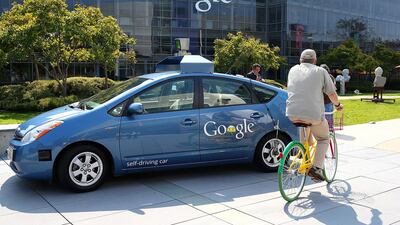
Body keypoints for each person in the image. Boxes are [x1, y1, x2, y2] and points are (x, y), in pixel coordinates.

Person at [286, 49, 343, 182]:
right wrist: (338, 105)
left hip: (292, 113)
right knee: (324, 138)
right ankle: (316, 168)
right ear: (315, 61)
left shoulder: (292, 70)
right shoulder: (321, 71)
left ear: (300, 61)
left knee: (306, 138)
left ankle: (305, 157)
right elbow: (332, 94)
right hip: (313, 115)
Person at [320, 64, 336, 129]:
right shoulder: (321, 77)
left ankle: (329, 128)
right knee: (327, 115)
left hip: (328, 100)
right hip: (323, 100)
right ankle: (328, 128)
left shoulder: (330, 77)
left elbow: (331, 90)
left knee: (328, 115)